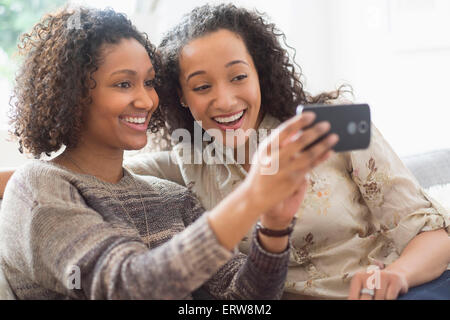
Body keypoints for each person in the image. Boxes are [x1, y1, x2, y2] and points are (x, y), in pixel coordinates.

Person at [0, 7, 338, 300]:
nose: (146, 101)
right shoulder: (39, 188)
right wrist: (252, 196)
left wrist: (274, 227)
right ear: (72, 96)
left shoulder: (171, 198)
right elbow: (129, 286)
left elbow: (243, 298)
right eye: (123, 84)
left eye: (149, 83)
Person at [122, 4, 450, 300]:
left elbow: (432, 234)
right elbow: (98, 170)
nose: (224, 101)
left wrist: (395, 276)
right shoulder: (190, 159)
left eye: (238, 77)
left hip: (402, 289)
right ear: (181, 96)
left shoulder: (329, 126)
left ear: (259, 76)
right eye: (202, 87)